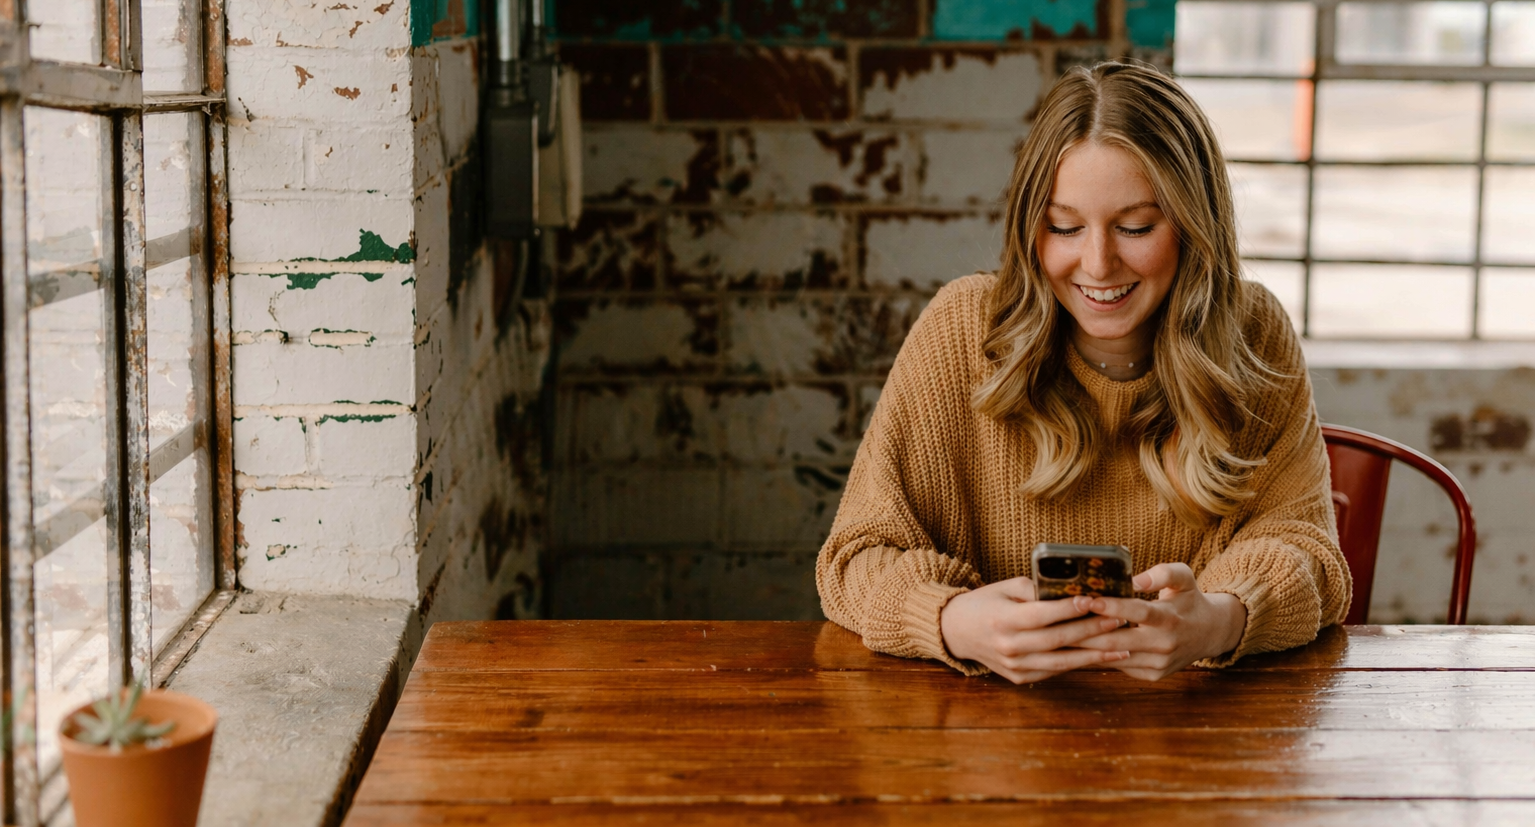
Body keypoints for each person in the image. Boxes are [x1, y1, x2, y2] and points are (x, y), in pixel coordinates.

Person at [815, 61, 1351, 683]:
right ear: (1029, 227)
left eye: (1135, 227)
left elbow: (1309, 553)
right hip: (981, 733)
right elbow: (854, 557)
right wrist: (957, 621)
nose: (1097, 264)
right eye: (1064, 227)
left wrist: (1218, 620)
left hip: (1189, 730)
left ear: (1195, 228)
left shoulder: (1252, 332)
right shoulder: (962, 330)